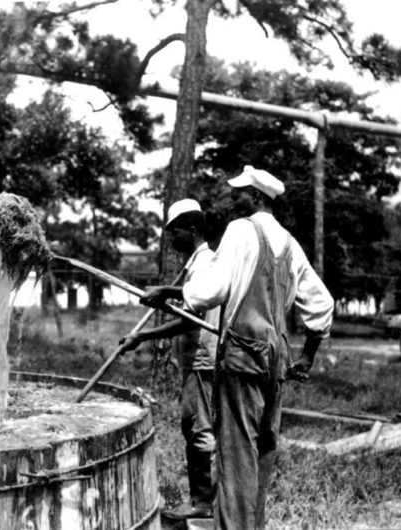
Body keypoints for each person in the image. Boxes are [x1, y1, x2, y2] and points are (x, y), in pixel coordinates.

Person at [142, 166, 334, 529]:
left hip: (243, 353)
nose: (233, 201)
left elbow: (208, 291)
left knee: (235, 451)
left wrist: (173, 294)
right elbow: (322, 304)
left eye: (239, 194)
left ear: (257, 197)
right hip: (277, 355)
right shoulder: (290, 244)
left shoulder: (240, 231)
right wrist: (308, 355)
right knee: (263, 449)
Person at [120, 198, 220, 520]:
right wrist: (163, 299)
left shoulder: (205, 265)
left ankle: (203, 504)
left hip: (203, 359)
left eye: (174, 232)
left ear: (191, 230)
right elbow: (185, 309)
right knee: (195, 426)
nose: (170, 240)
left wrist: (143, 337)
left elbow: (192, 320)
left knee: (199, 430)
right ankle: (206, 501)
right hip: (195, 360)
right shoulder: (193, 266)